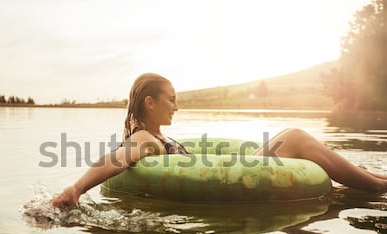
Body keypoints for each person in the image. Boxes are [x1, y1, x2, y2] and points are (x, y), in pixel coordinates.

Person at [52, 73, 387, 210]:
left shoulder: (156, 136)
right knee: (296, 137)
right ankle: (376, 187)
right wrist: (76, 190)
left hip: (247, 166)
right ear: (149, 103)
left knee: (289, 135)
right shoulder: (143, 138)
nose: (177, 105)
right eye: (171, 99)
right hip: (246, 172)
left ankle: (377, 181)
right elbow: (118, 158)